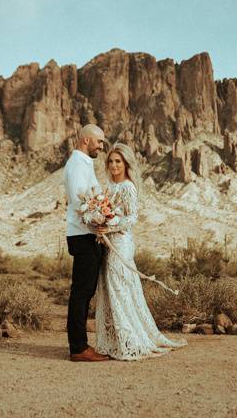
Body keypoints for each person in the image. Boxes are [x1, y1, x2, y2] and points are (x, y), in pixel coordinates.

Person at [94, 142, 187, 360]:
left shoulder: (128, 187)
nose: (114, 165)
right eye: (111, 161)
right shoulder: (108, 186)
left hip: (121, 243)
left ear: (126, 164)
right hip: (107, 242)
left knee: (120, 287)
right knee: (108, 287)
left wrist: (110, 226)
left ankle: (132, 340)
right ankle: (115, 340)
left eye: (118, 161)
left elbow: (132, 217)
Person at [63, 124, 110, 362]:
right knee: (81, 292)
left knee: (85, 291)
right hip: (83, 235)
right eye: (99, 142)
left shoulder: (83, 164)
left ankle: (80, 345)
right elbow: (81, 202)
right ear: (86, 141)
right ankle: (78, 348)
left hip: (87, 234)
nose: (102, 146)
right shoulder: (77, 165)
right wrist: (100, 219)